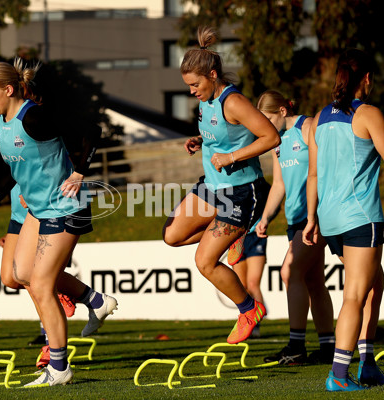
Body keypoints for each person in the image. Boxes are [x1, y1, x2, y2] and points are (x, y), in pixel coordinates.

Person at [0, 58, 118, 387]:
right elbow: (15, 167)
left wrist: (80, 173)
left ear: (8, 90)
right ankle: (96, 301)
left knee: (40, 285)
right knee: (21, 274)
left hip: (67, 206)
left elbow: (90, 132)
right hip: (39, 208)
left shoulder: (34, 117)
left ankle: (58, 367)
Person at [302, 48, 384, 391]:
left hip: (331, 220)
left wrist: (312, 218)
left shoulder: (319, 118)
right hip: (360, 218)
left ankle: (368, 363)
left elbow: (314, 174)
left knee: (374, 283)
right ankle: (339, 375)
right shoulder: (368, 114)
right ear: (366, 79)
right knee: (355, 295)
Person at [162, 26, 280, 344]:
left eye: (195, 84)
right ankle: (231, 237)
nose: (191, 91)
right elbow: (223, 132)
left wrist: (232, 157)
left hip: (242, 192)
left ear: (213, 75)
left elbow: (271, 136)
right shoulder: (206, 99)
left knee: (204, 262)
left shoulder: (234, 101)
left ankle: (248, 310)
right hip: (212, 188)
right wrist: (201, 141)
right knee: (171, 235)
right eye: (187, 85)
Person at [250, 90, 335, 365]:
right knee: (313, 281)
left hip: (316, 216)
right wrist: (265, 218)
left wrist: (316, 213)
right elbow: (279, 185)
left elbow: (324, 171)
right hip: (294, 218)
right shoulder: (276, 141)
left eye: (267, 119)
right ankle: (328, 347)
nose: (263, 126)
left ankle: (296, 346)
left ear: (283, 111)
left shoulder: (307, 127)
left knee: (290, 271)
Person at [0, 183, 77, 370]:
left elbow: (59, 168)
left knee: (37, 283)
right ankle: (63, 291)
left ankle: (52, 347)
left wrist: (32, 191)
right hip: (17, 215)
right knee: (10, 278)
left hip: (41, 211)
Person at [230, 222, 268, 339]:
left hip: (256, 235)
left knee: (253, 284)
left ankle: (256, 325)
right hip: (237, 236)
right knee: (242, 286)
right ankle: (246, 323)